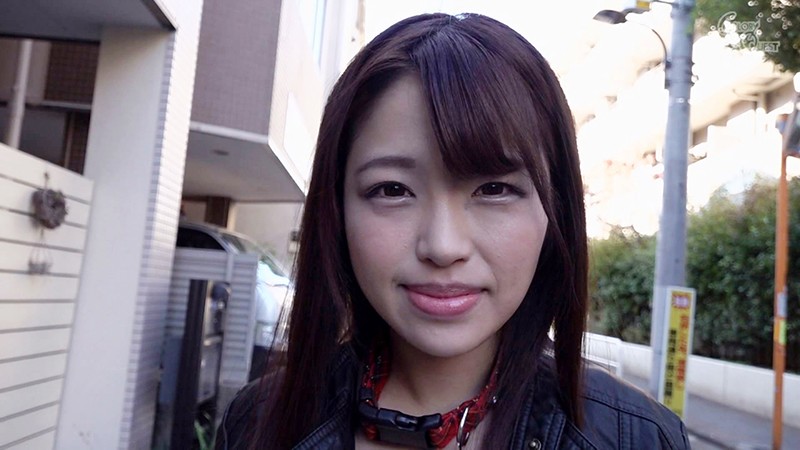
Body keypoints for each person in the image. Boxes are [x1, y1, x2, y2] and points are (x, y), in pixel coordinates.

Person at [215, 13, 689, 450]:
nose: (443, 246)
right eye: (392, 190)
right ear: (336, 210)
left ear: (555, 210)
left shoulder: (639, 438)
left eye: (494, 189)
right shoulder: (258, 422)